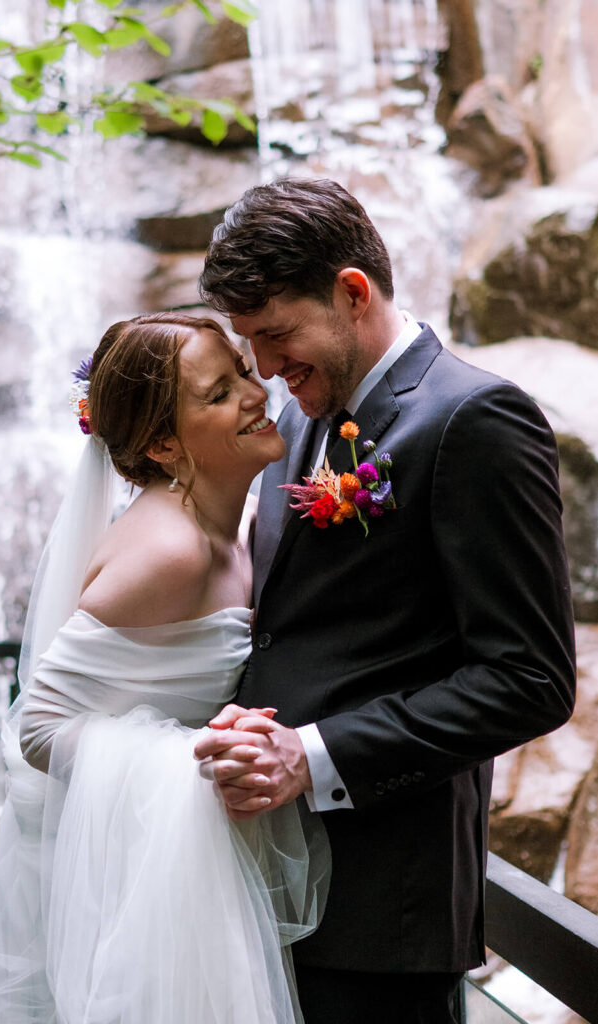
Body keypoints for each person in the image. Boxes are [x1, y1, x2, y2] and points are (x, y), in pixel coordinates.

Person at [194, 178, 577, 1024]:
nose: (261, 367)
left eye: (275, 334)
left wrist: (312, 755)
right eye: (247, 342)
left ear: (352, 292)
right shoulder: (295, 421)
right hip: (270, 880)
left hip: (384, 906)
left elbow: (530, 679)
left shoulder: (476, 419)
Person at [0, 312, 330, 1024]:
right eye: (219, 391)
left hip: (195, 867)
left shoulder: (245, 519)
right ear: (165, 443)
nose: (256, 393)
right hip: (147, 878)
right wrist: (189, 759)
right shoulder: (167, 551)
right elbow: (39, 728)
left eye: (241, 370)